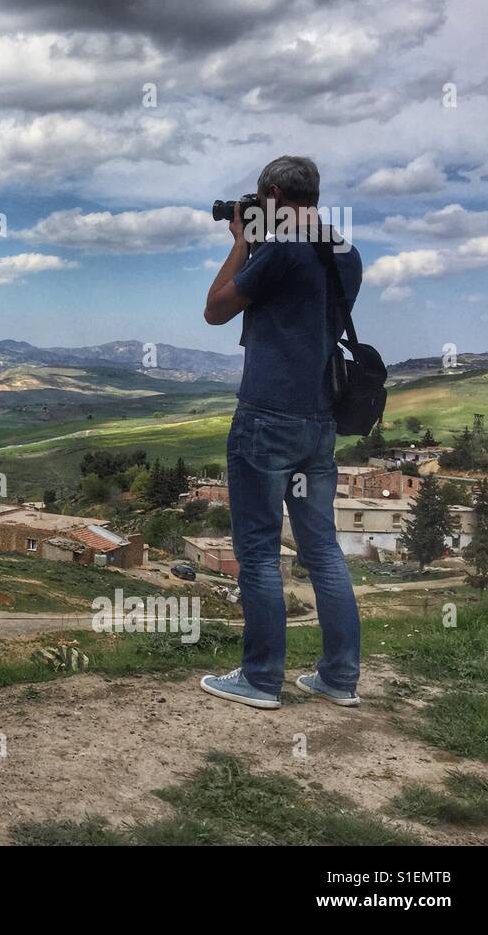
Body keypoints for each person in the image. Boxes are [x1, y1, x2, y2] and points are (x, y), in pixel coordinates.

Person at [200, 155, 363, 710]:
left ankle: (261, 679)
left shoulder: (280, 248)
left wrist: (242, 240)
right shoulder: (346, 251)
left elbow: (215, 310)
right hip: (320, 419)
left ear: (271, 192)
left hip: (268, 416)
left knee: (259, 551)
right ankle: (340, 678)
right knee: (322, 549)